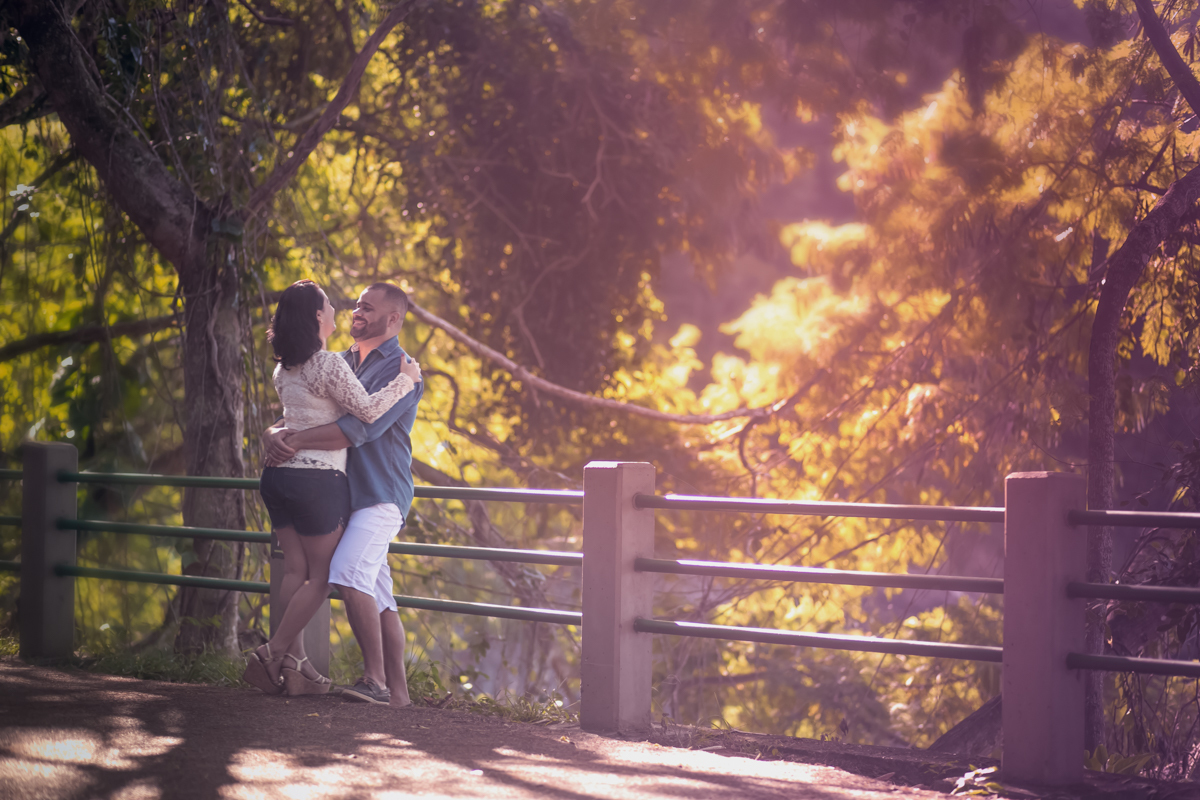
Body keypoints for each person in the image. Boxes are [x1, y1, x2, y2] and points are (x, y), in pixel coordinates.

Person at [244, 280, 421, 697]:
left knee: (345, 573)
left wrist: (293, 440)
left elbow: (360, 428)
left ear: (393, 319)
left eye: (368, 308)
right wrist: (275, 431)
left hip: (377, 493)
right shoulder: (336, 360)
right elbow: (303, 411)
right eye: (355, 305)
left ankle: (365, 679)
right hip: (339, 491)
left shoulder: (402, 369)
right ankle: (399, 698)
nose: (356, 312)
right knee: (379, 592)